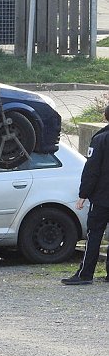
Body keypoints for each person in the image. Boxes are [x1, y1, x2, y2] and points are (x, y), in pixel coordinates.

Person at [62, 105, 109, 285]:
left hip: (102, 197)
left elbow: (92, 170)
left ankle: (85, 274)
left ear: (105, 117)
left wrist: (83, 194)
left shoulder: (101, 139)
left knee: (94, 234)